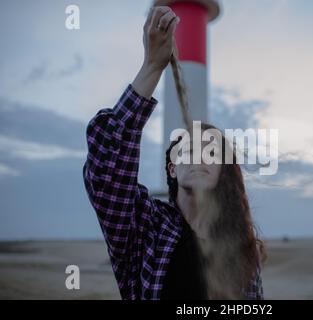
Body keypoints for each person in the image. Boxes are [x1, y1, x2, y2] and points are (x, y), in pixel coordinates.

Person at [82, 6, 264, 300]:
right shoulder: (144, 227)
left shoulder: (240, 247)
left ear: (223, 170)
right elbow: (105, 166)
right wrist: (152, 66)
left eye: (211, 152)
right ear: (171, 168)